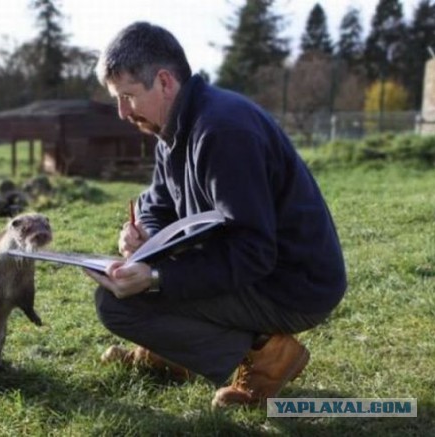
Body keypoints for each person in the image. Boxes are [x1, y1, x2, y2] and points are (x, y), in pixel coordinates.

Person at [85, 21, 347, 408]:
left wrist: (157, 276)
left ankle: (268, 354)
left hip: (291, 285)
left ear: (164, 81)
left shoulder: (223, 130)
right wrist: (145, 243)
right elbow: (157, 205)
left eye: (128, 96)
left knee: (117, 304)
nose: (123, 112)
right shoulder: (171, 128)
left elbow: (254, 253)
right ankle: (176, 353)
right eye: (116, 99)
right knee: (121, 292)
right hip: (253, 269)